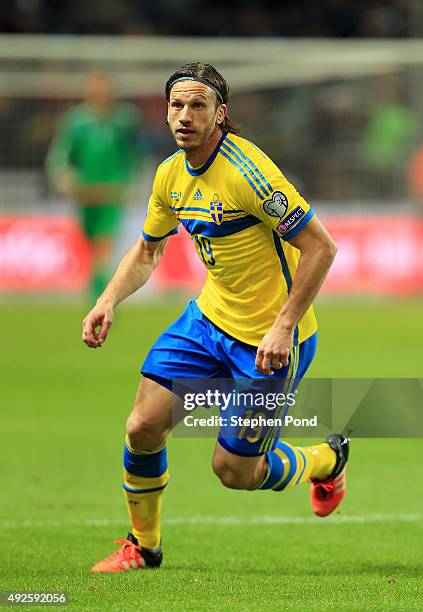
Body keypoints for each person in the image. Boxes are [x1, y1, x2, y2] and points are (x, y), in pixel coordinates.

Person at [82, 62, 349, 573]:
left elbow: (321, 248)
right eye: (176, 105)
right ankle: (144, 546)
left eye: (197, 105)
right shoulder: (169, 174)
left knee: (234, 471)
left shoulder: (249, 174)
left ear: (220, 114)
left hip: (268, 342)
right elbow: (146, 251)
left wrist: (283, 325)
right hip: (206, 323)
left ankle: (326, 460)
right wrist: (107, 300)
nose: (185, 115)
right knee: (142, 427)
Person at [46, 73, 143, 301]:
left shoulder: (123, 120)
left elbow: (134, 155)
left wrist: (133, 181)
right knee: (92, 245)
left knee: (103, 244)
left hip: (112, 192)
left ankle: (99, 296)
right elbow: (61, 156)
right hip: (86, 194)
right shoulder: (76, 122)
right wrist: (63, 177)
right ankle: (99, 291)